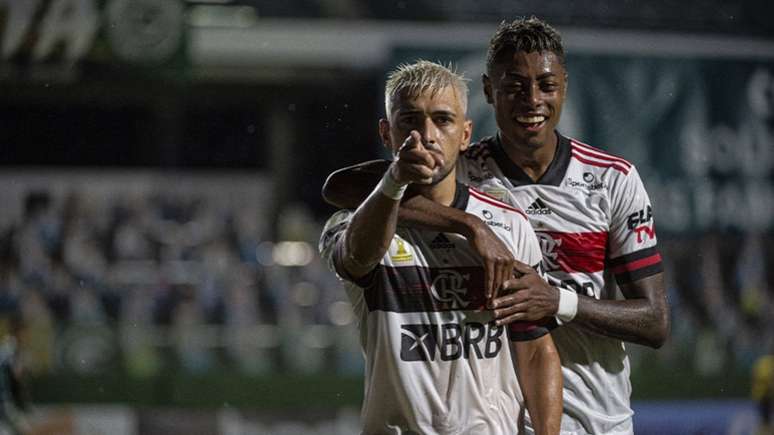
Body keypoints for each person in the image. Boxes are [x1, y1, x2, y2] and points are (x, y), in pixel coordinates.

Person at [323, 17, 670, 435]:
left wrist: (556, 301)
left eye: (546, 84)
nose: (532, 100)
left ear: (564, 86)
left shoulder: (613, 180)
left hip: (595, 413)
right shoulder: (458, 165)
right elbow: (345, 188)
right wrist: (470, 224)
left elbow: (654, 322)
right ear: (489, 91)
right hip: (500, 415)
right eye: (515, 86)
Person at [319, 60, 562, 434]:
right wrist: (397, 178)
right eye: (410, 121)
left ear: (465, 134)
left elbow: (534, 349)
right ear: (387, 133)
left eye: (443, 120)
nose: (426, 135)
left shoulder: (509, 225)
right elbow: (358, 255)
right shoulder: (353, 222)